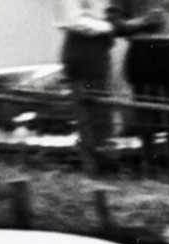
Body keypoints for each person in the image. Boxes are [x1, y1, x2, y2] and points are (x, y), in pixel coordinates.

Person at [109, 0, 169, 167]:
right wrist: (143, 22)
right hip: (144, 54)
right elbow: (115, 27)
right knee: (147, 116)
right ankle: (150, 168)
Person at [55, 0, 117, 148]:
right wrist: (109, 26)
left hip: (96, 50)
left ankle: (101, 144)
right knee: (85, 104)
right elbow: (76, 22)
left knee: (100, 100)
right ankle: (92, 149)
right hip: (81, 49)